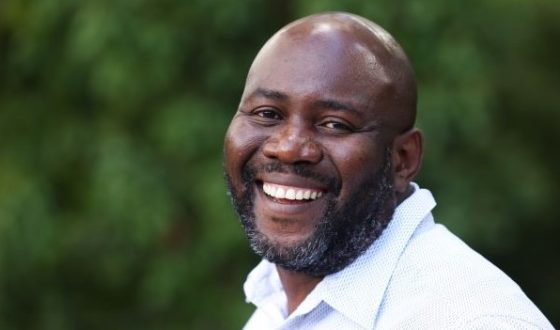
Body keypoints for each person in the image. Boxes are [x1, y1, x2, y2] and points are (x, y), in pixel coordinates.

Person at [223, 11, 554, 329]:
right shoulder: (275, 304)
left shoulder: (473, 321)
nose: (288, 147)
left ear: (403, 159)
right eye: (267, 114)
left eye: (335, 124)